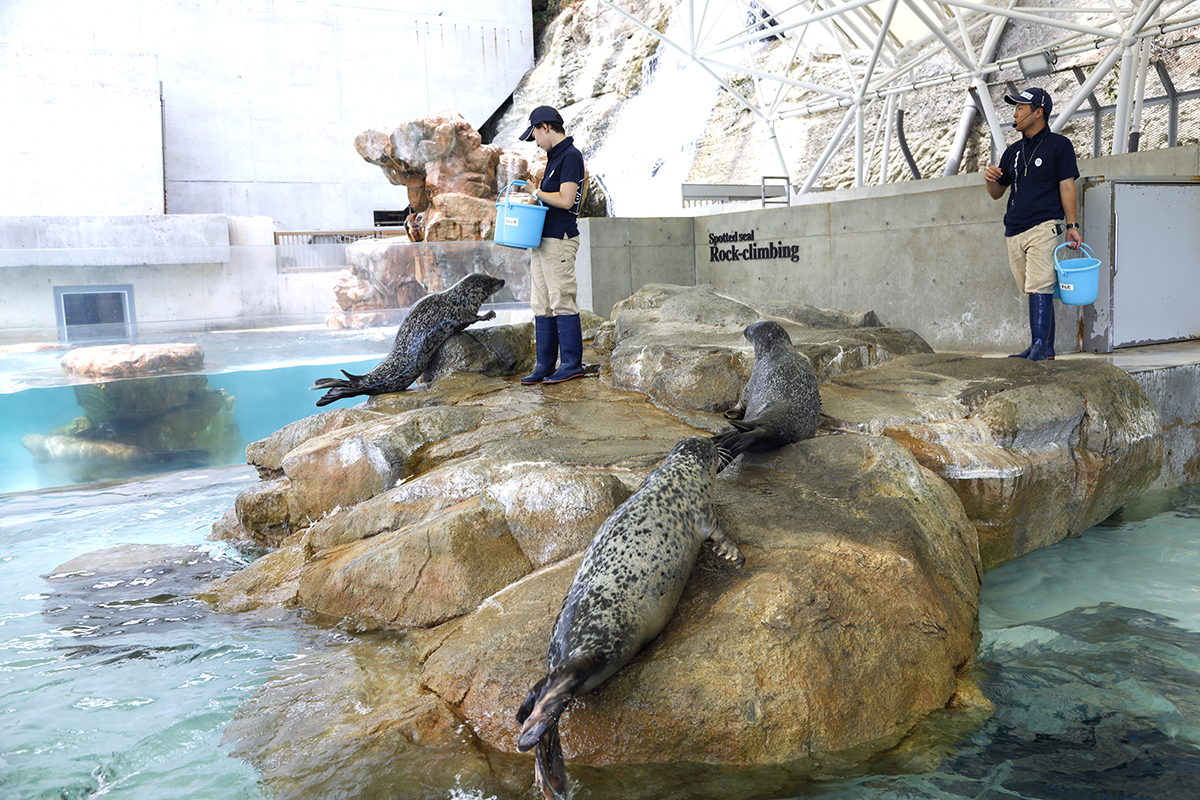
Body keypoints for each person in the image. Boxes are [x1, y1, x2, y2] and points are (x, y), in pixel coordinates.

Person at [984, 87, 1081, 361]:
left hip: (1043, 226)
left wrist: (1072, 224)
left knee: (1040, 285)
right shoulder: (1013, 151)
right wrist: (990, 179)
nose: (1014, 113)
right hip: (1014, 229)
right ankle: (1044, 348)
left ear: (1039, 112)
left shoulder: (1059, 145)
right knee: (1032, 289)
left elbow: (1067, 187)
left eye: (1020, 108)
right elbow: (997, 192)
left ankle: (1038, 346)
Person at [516, 105, 588, 384]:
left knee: (561, 299)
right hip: (542, 240)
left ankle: (571, 363)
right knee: (542, 303)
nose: (535, 140)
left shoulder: (570, 156)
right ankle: (545, 363)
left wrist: (535, 191)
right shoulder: (554, 158)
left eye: (535, 134)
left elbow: (567, 200)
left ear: (545, 127)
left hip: (560, 238)